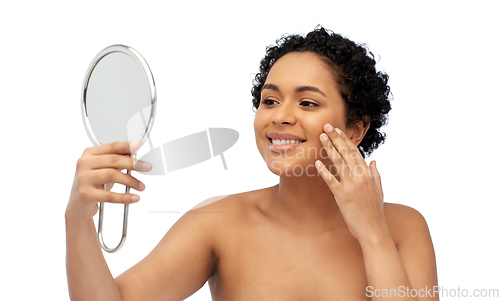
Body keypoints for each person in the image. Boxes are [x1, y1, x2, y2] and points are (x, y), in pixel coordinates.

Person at [66, 26, 438, 300]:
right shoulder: (219, 223)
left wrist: (373, 234)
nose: (279, 117)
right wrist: (79, 218)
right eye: (270, 101)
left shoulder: (403, 228)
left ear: (355, 129)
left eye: (307, 103)